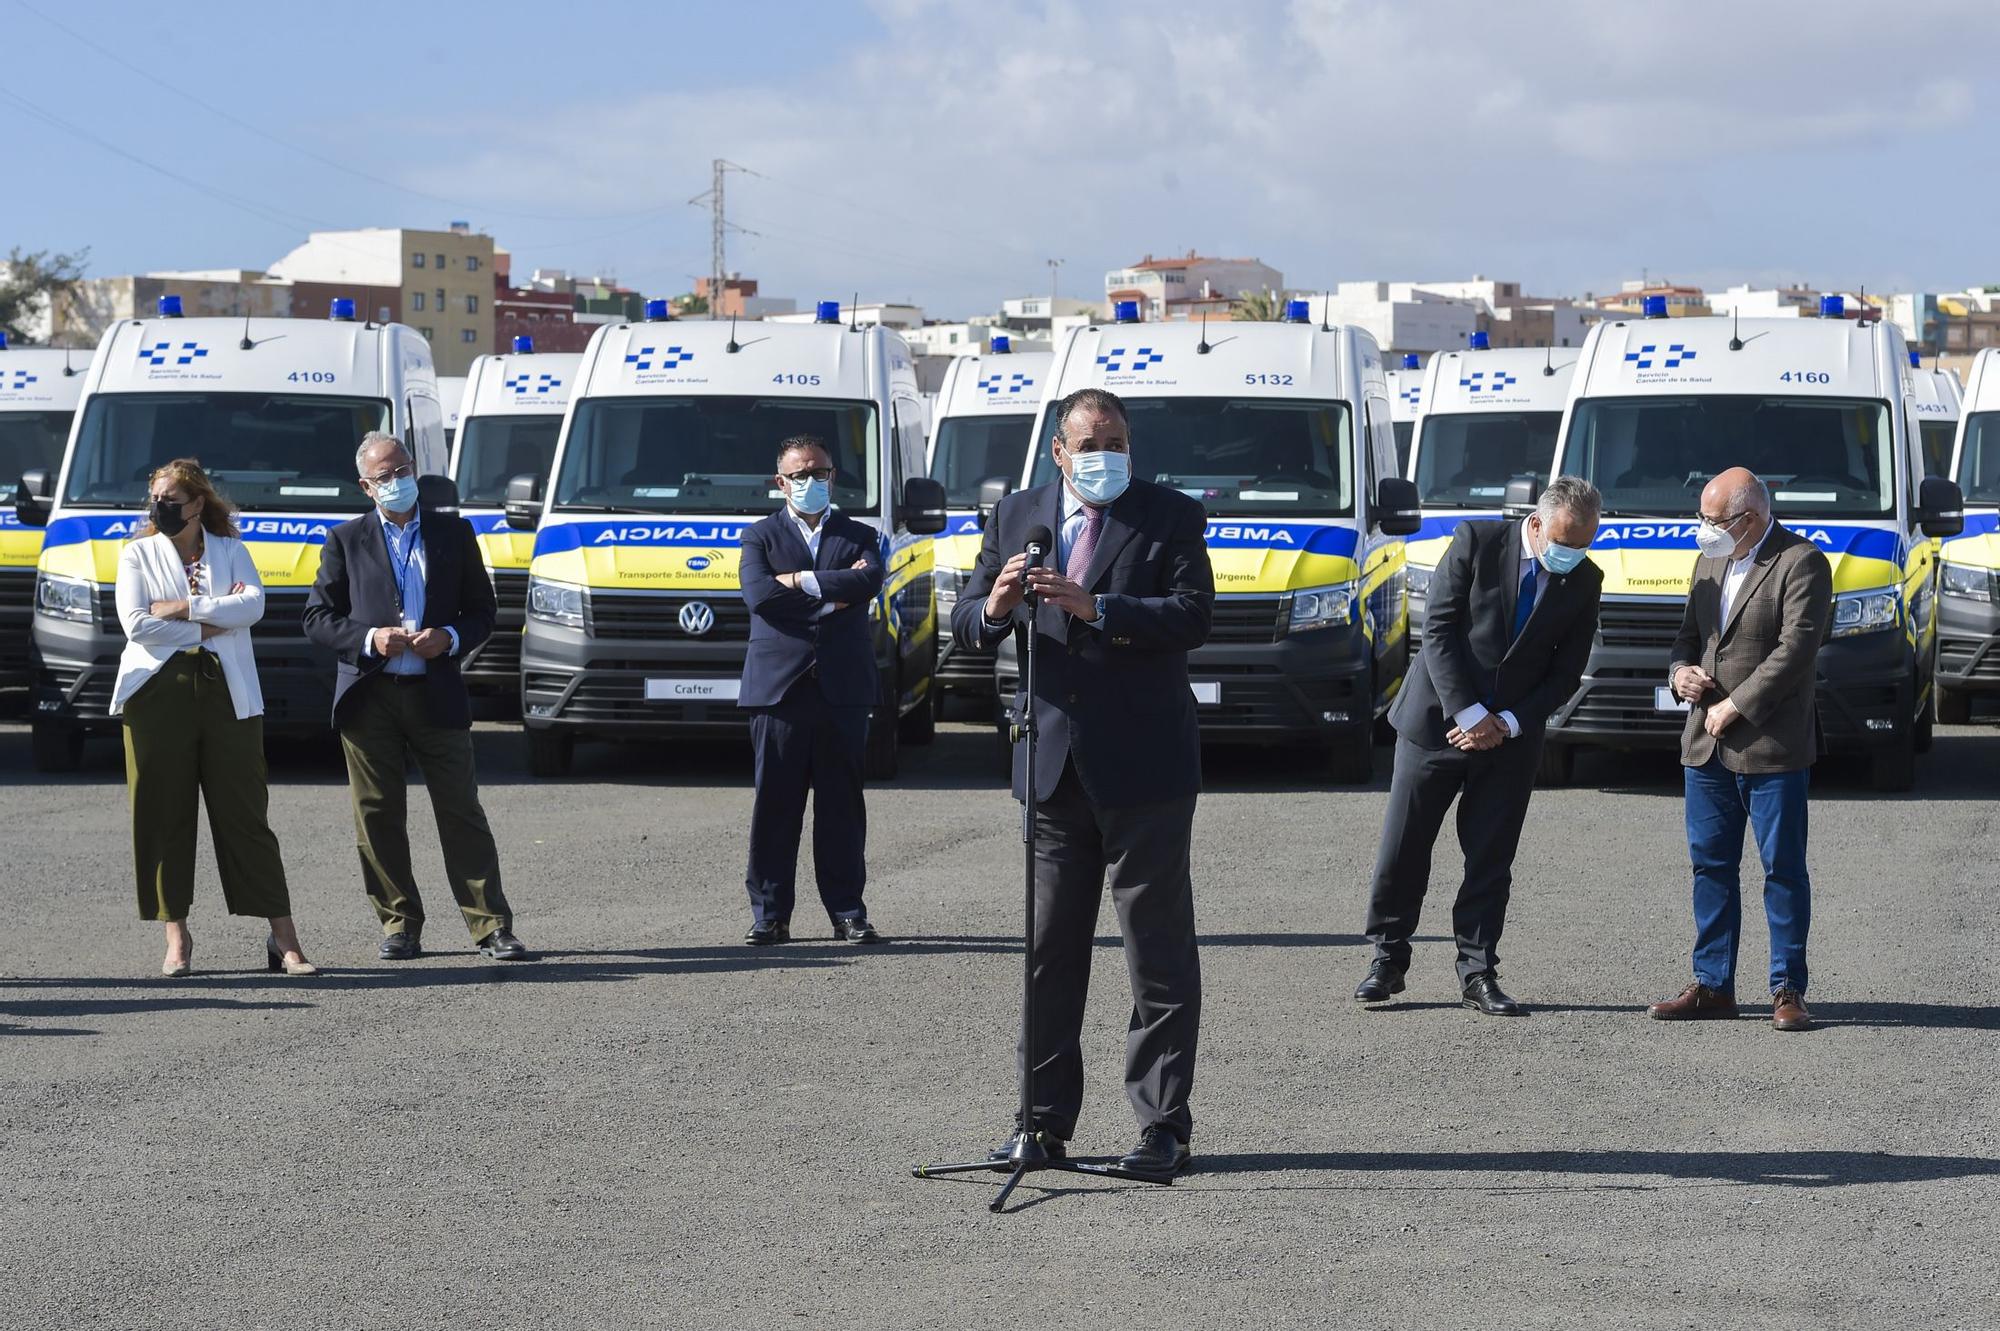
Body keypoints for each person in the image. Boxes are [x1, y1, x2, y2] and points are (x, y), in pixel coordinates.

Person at [951, 387, 1213, 1177]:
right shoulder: (1017, 515)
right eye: (1090, 443)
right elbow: (966, 614)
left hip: (1147, 769)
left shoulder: (1171, 515)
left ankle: (1162, 1127)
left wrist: (1102, 607)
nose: (1107, 456)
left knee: (1156, 955)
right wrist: (993, 609)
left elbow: (1194, 614)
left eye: (1119, 442)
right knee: (1047, 952)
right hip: (1052, 767)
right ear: (1058, 452)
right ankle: (1040, 1123)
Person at [1355, 476, 1604, 1016]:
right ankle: (1387, 960)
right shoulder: (1476, 541)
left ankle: (1477, 971)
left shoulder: (1585, 579)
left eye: (1584, 545)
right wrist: (1468, 712)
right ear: (1535, 524)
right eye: (1565, 542)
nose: (1572, 555)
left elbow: (1567, 669)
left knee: (1490, 857)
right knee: (1404, 846)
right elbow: (1438, 632)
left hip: (1509, 739)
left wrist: (1508, 722)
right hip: (1435, 723)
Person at [302, 432, 529, 962]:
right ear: (366, 486)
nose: (399, 482)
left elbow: (482, 613)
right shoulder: (345, 539)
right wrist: (369, 639)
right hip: (370, 694)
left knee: (460, 809)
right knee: (377, 814)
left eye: (404, 470)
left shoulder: (455, 532)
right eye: (386, 477)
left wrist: (447, 638)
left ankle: (491, 925)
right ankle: (399, 923)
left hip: (436, 691)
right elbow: (317, 618)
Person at [112, 458, 315, 977]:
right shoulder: (137, 553)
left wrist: (182, 607)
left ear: (199, 504)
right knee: (161, 813)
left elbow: (252, 607)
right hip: (156, 694)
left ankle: (284, 939)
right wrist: (209, 621)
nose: (161, 509)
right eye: (155, 500)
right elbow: (137, 624)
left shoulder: (231, 550)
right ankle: (176, 938)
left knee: (246, 814)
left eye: (172, 502)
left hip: (229, 694)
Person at [1649, 468, 1831, 1032]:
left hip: (1772, 746)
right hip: (1705, 746)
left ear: (1749, 518)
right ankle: (1712, 986)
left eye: (1713, 520)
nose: (1704, 530)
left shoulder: (1801, 561)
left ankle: (1787, 990)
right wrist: (1681, 673)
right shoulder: (1709, 559)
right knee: (1710, 867)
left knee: (1782, 870)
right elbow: (1687, 635)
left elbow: (1796, 648)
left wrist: (1738, 705)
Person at [736, 434, 886, 945]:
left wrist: (798, 581)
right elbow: (760, 597)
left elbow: (868, 583)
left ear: (832, 476)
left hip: (842, 689)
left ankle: (848, 911)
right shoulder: (759, 536)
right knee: (775, 805)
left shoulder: (860, 534)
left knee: (842, 807)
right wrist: (829, 593)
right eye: (799, 475)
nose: (810, 481)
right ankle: (770, 915)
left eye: (818, 472)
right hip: (779, 690)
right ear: (781, 482)